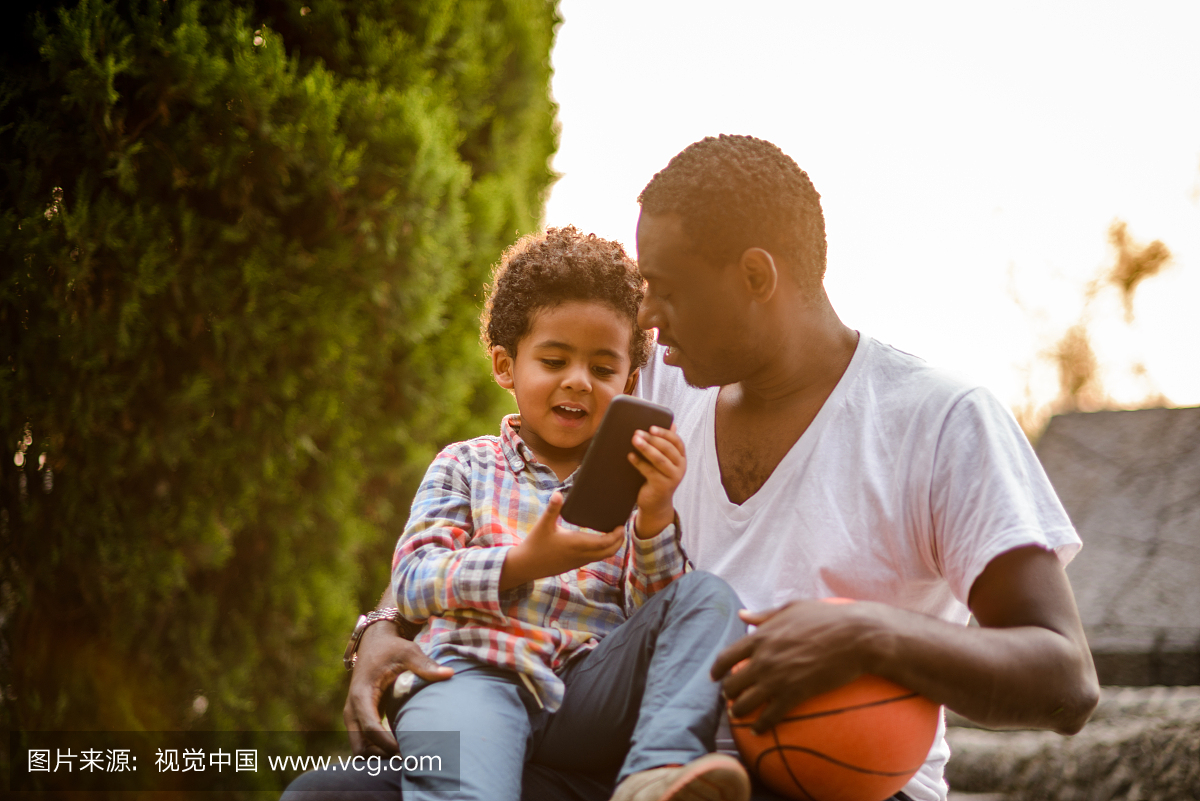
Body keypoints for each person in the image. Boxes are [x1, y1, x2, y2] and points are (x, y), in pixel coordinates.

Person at [340, 136, 1100, 801]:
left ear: (757, 277)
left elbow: (1065, 679)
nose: (645, 319)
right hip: (635, 751)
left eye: (665, 290)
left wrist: (871, 635)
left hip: (833, 777)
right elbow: (504, 498)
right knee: (330, 793)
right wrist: (383, 626)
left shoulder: (939, 419)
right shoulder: (659, 386)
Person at [285, 227, 750, 801]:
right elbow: (412, 581)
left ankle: (658, 774)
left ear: (630, 382)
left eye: (603, 370)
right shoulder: (467, 465)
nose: (577, 380)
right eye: (554, 360)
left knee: (706, 595)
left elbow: (652, 613)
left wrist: (654, 514)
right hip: (473, 676)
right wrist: (524, 561)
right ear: (506, 365)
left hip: (582, 694)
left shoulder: (628, 484)